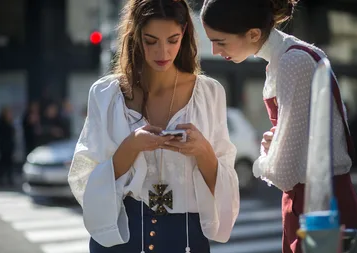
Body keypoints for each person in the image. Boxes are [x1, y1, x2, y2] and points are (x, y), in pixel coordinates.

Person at [68, 0, 240, 252]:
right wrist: (130, 148)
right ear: (136, 36)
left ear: (184, 35)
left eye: (173, 40)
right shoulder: (105, 94)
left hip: (185, 238)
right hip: (122, 234)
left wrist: (203, 150)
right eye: (151, 41)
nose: (163, 52)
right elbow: (83, 177)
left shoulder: (209, 93)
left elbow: (227, 189)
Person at [200, 0, 357, 253]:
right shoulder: (291, 56)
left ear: (254, 33)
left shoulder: (292, 61)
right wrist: (279, 142)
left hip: (317, 204)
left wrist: (265, 158)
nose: (213, 50)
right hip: (318, 198)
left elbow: (285, 172)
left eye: (220, 41)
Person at [0, 107, 16, 186]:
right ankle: (1, 178)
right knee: (4, 163)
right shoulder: (1, 122)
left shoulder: (9, 122)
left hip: (9, 146)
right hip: (4, 146)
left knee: (9, 163)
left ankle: (9, 179)